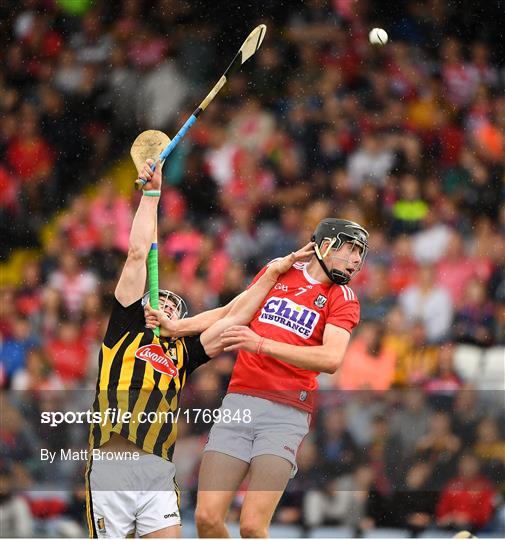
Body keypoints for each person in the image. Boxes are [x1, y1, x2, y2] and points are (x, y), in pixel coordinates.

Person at [85, 158, 313, 539]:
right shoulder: (123, 330)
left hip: (158, 469)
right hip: (112, 466)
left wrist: (271, 275)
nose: (169, 305)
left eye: (177, 305)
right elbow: (139, 253)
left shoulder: (182, 354)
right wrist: (152, 196)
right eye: (163, 300)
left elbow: (232, 316)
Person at [189, 217, 369, 538]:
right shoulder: (279, 270)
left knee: (252, 527)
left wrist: (261, 344)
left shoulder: (342, 298)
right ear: (325, 245)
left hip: (285, 413)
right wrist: (178, 327)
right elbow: (233, 311)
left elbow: (330, 359)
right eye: (351, 249)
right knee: (206, 519)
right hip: (239, 402)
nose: (357, 260)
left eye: (360, 252)